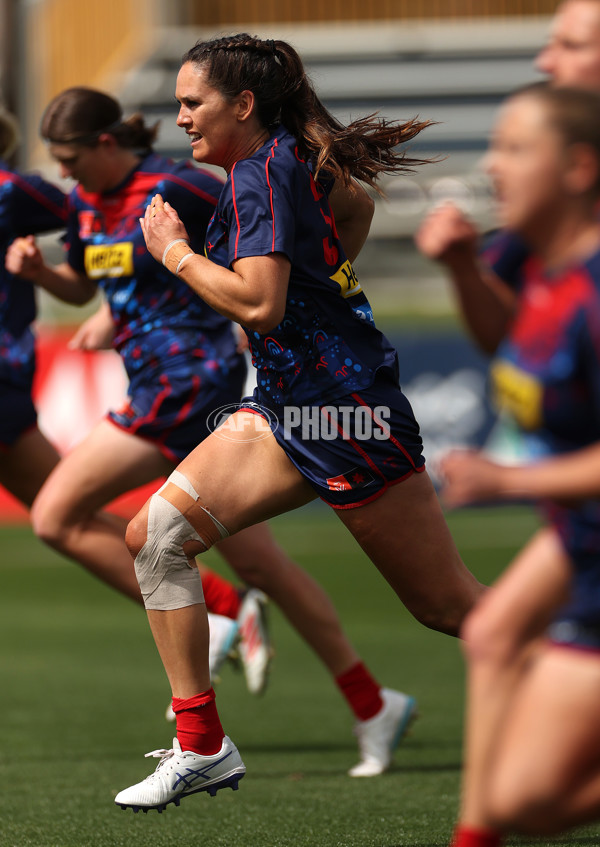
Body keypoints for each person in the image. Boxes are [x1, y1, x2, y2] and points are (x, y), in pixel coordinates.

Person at [108, 33, 485, 813]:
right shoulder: (281, 157)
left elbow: (258, 303)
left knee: (449, 608)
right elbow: (355, 205)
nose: (179, 118)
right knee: (154, 537)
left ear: (241, 105)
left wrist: (174, 253)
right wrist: (322, 290)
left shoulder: (261, 174)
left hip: (345, 413)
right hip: (287, 406)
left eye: (192, 103)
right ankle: (202, 745)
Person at [7, 85, 422, 787]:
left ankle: (223, 617)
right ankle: (371, 701)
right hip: (155, 381)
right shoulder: (84, 204)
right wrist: (49, 276)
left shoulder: (181, 188)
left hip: (190, 382)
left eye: (74, 159)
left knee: (58, 513)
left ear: (108, 144)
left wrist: (248, 288)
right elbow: (90, 283)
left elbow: (253, 258)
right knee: (261, 562)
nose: (66, 174)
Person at [429, 83, 600, 846]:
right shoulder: (525, 258)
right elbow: (509, 343)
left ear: (579, 167)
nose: (492, 164)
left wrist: (508, 480)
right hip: (582, 531)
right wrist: (465, 268)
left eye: (516, 148)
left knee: (527, 800)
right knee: (493, 631)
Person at [0, 108, 67, 512]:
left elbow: (87, 212)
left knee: (65, 515)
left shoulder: (10, 191)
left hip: (3, 378)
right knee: (65, 516)